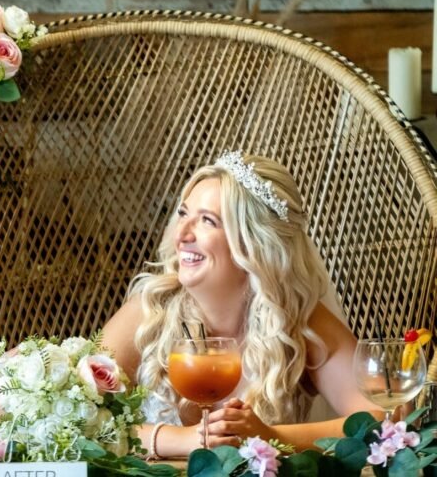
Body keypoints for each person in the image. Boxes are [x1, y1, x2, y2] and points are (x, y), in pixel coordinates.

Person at [101, 152, 381, 458]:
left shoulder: (298, 319)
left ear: (254, 243)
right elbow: (75, 420)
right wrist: (180, 440)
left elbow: (381, 419)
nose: (181, 234)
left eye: (207, 221)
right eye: (183, 214)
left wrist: (272, 436)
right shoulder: (149, 311)